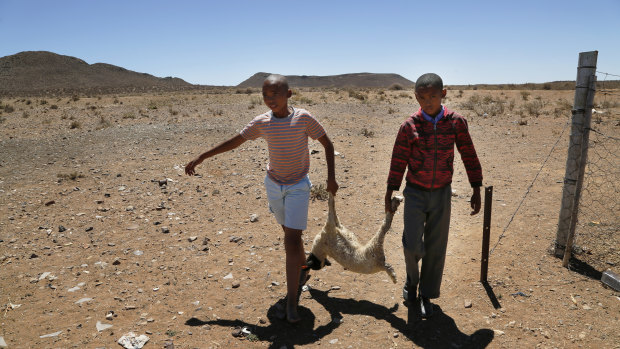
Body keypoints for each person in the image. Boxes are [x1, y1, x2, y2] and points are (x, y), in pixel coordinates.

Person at [185, 74, 338, 323]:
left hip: (298, 185)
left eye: (275, 94)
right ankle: (304, 270)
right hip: (274, 186)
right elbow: (236, 141)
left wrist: (331, 179)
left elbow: (328, 145)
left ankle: (291, 302)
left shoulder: (303, 118)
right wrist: (203, 156)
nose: (270, 100)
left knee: (291, 239)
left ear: (288, 95)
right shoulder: (263, 122)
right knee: (290, 234)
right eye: (265, 95)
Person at [384, 73, 482, 318]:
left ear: (443, 94)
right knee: (412, 244)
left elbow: (468, 153)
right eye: (423, 97)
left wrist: (476, 186)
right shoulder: (409, 126)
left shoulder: (456, 122)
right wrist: (390, 190)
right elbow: (398, 160)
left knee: (436, 245)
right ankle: (412, 283)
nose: (428, 102)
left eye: (433, 96)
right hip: (415, 192)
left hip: (441, 193)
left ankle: (427, 293)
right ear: (416, 97)